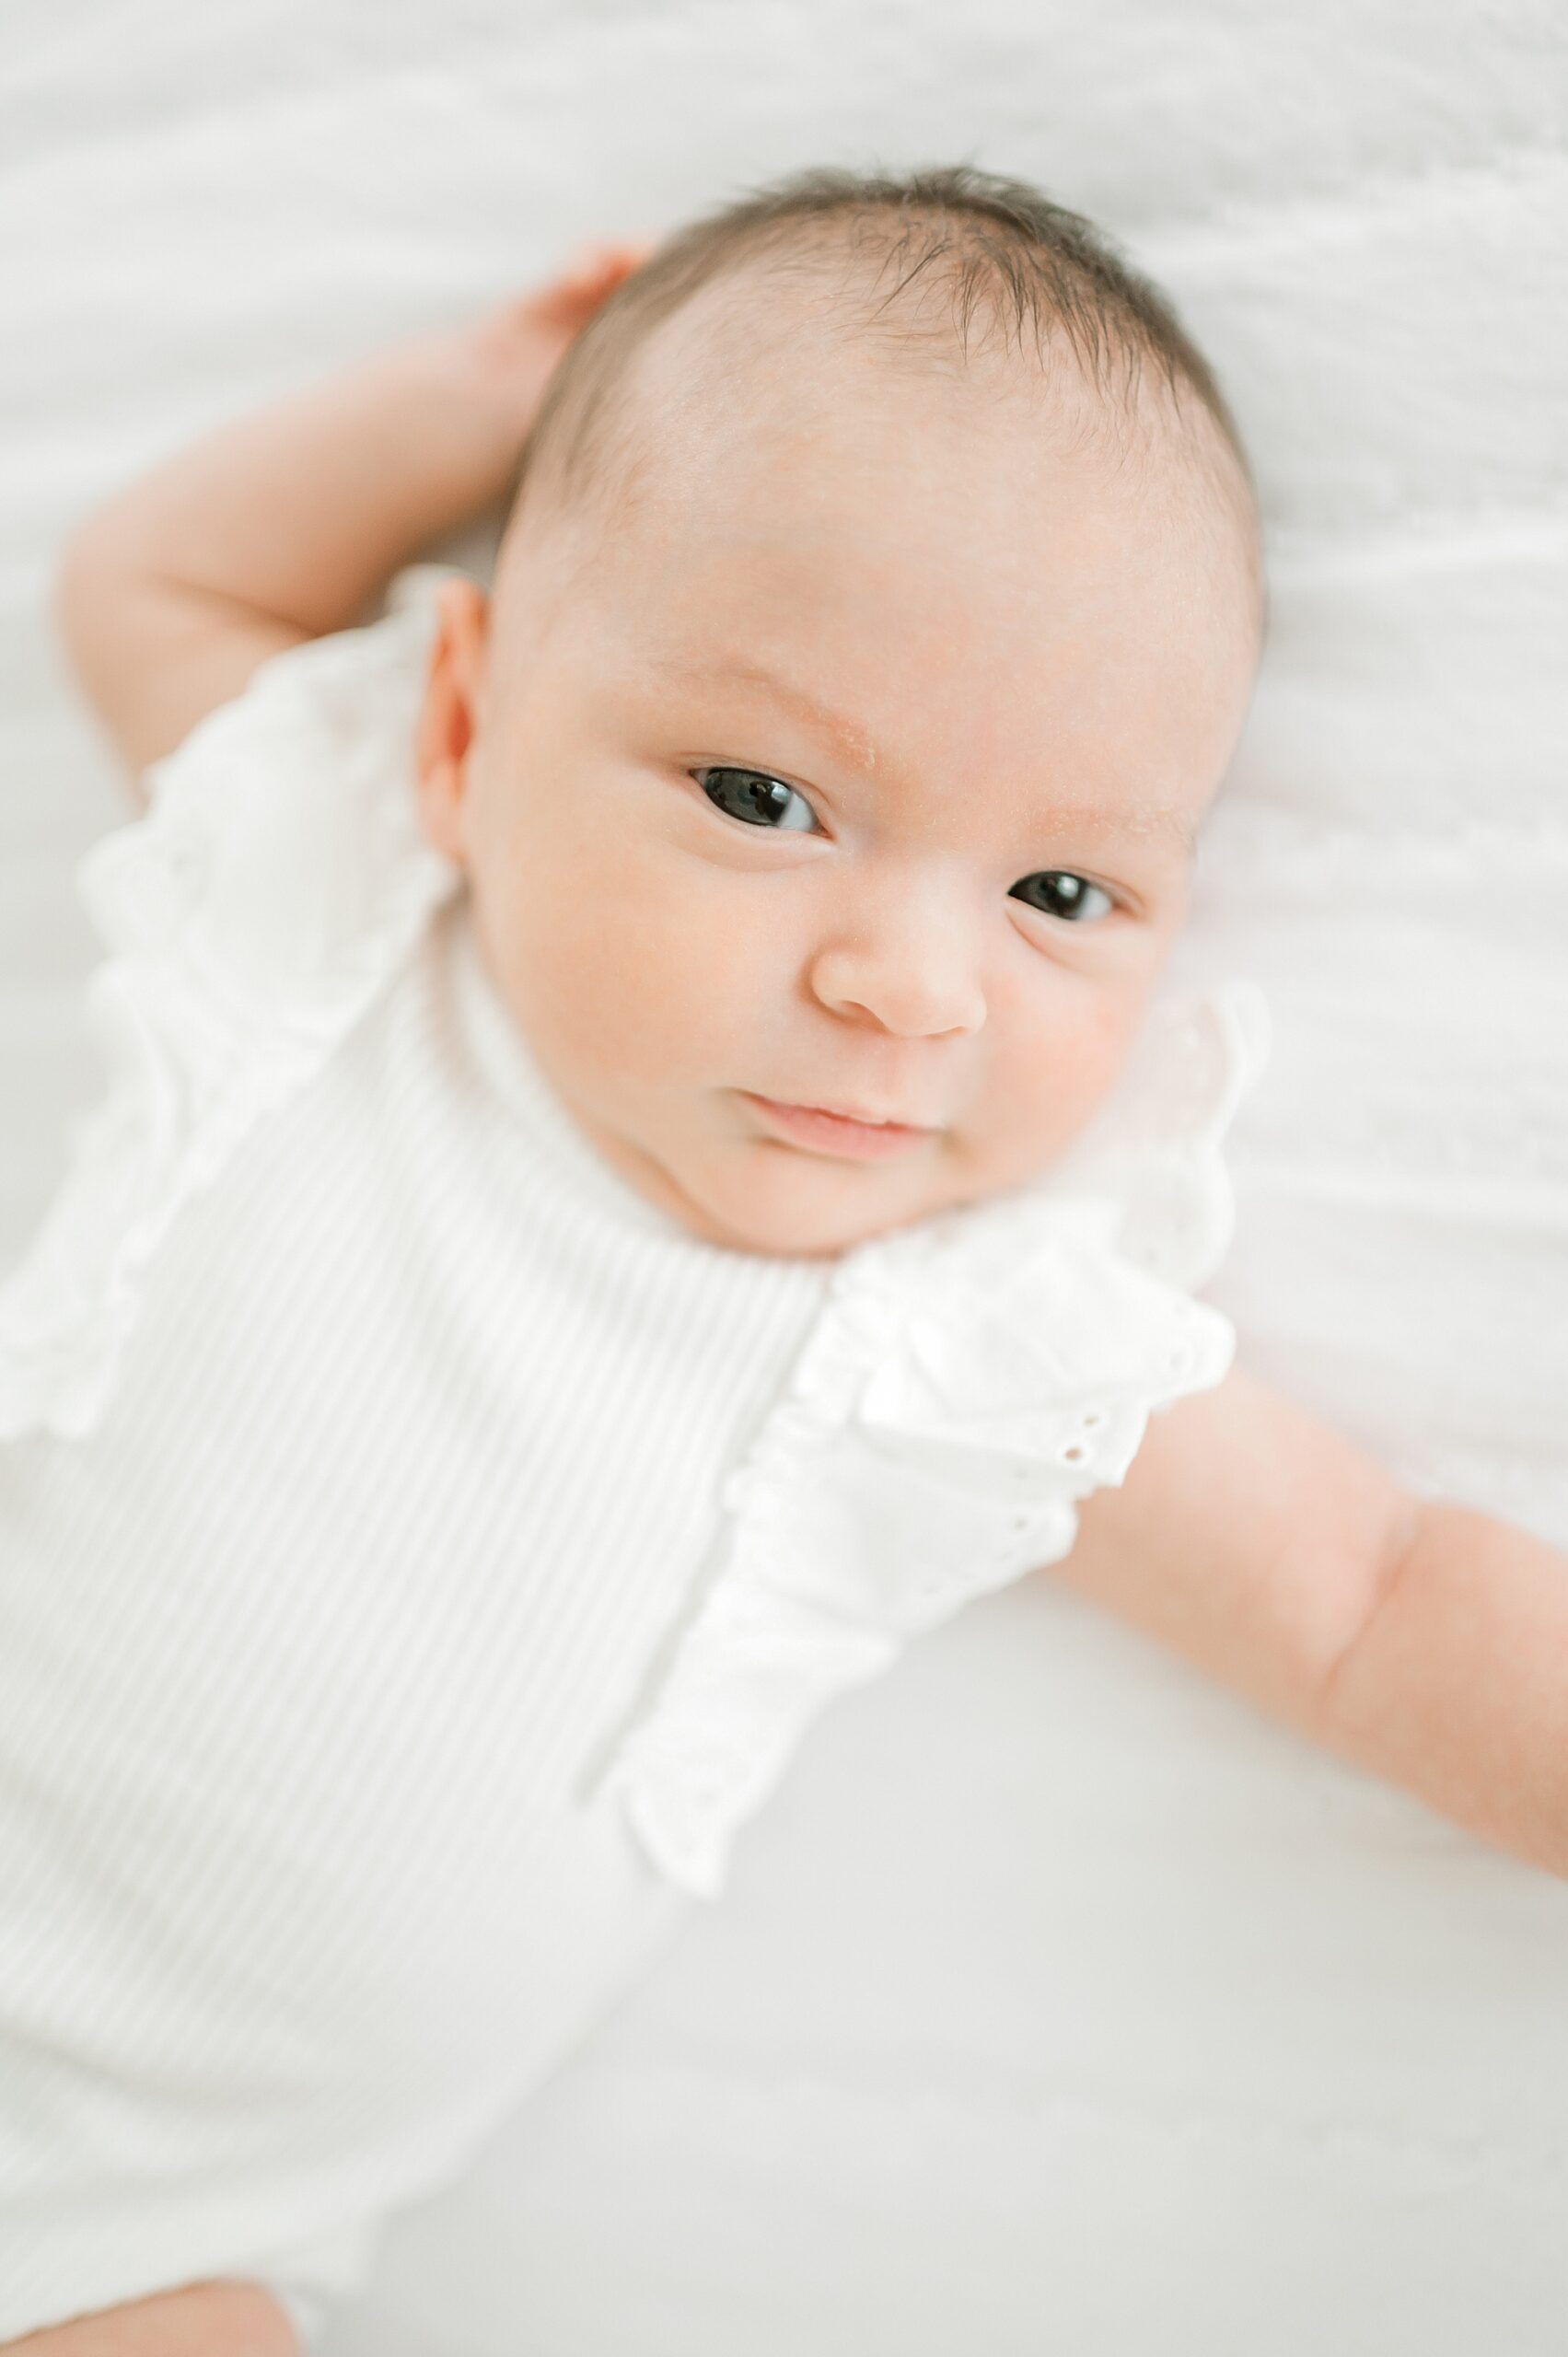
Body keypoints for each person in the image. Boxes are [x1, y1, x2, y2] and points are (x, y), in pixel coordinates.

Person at [4, 164, 1564, 2352]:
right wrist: (488, 396)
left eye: (1062, 895)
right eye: (762, 796)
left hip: (133, 2249)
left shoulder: (953, 1321)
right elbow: (151, 577)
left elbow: (1372, 1597)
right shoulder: (340, 907)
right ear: (464, 736)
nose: (912, 985)